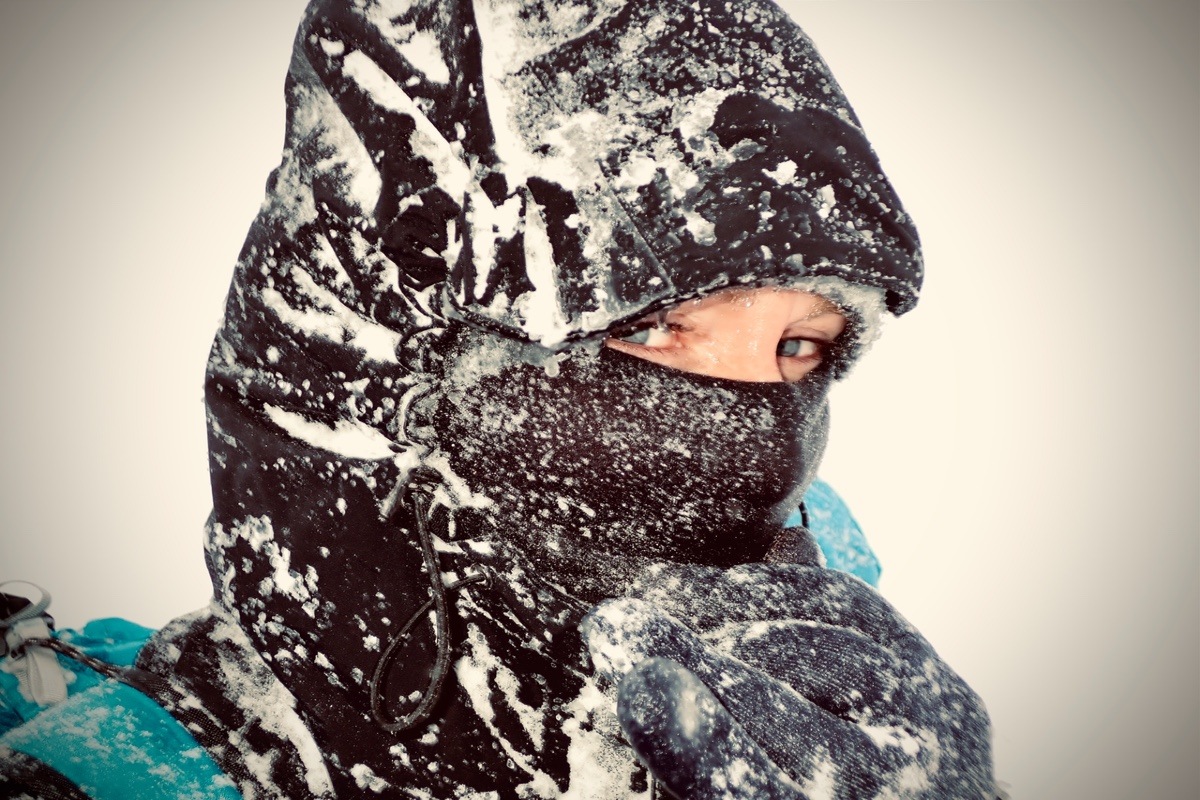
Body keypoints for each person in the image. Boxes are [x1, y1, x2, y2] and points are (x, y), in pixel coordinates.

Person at [0, 0, 996, 797]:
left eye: (798, 346)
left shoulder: (830, 702)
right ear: (398, 369)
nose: (749, 435)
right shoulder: (122, 779)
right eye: (646, 326)